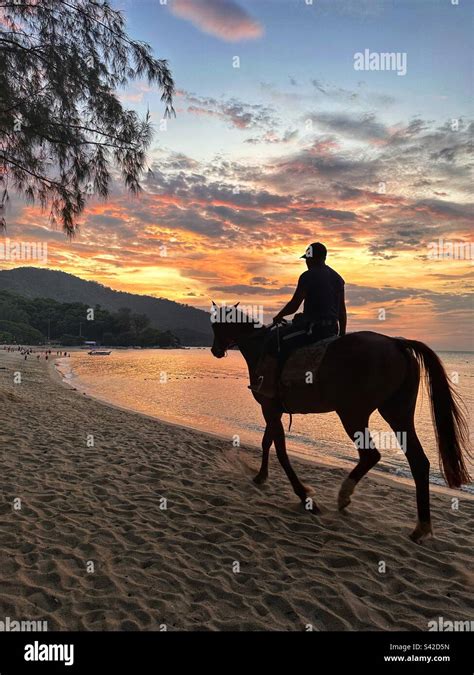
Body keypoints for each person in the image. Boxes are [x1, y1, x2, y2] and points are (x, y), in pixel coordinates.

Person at [251, 242, 346, 398]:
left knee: (275, 340)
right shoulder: (338, 278)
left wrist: (279, 316)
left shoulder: (307, 276)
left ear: (312, 258)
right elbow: (342, 310)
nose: (306, 262)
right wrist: (341, 333)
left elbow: (295, 304)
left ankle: (271, 385)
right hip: (332, 330)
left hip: (313, 330)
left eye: (307, 259)